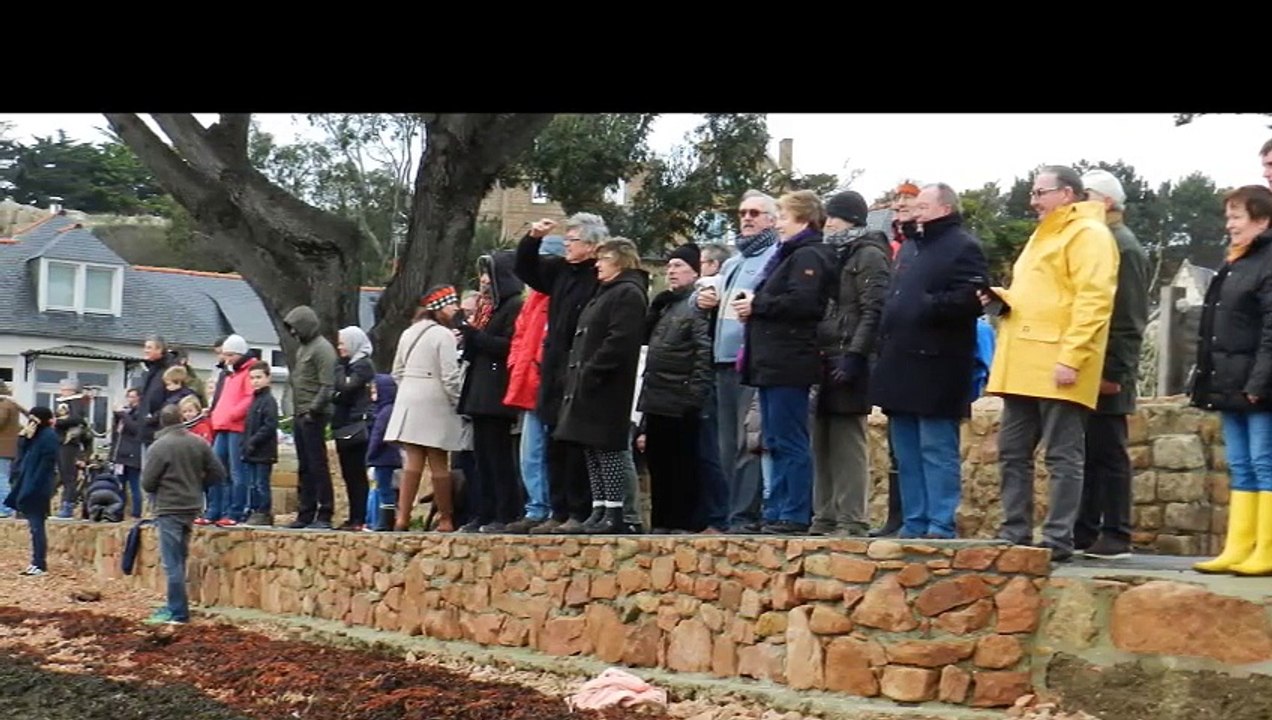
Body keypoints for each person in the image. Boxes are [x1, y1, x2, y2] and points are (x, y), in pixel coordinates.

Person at [982, 166, 1119, 562]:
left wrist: (1073, 357)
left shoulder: (1089, 235)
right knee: (1012, 450)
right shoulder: (1045, 234)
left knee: (1062, 455)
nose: (1033, 200)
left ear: (1068, 194)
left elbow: (1094, 301)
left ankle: (1058, 539)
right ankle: (1016, 531)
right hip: (1023, 361)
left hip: (1058, 362)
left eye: (1041, 192)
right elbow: (1044, 295)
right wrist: (1002, 296)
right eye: (1033, 191)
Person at [870, 183, 989, 539]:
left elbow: (973, 298)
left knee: (936, 448)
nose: (914, 211)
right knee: (905, 452)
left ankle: (940, 523)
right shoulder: (909, 247)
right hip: (899, 361)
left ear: (945, 209)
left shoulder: (964, 247)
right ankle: (914, 521)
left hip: (938, 364)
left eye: (922, 205)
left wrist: (924, 306)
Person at [733, 189, 831, 534]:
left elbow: (804, 303)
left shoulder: (809, 256)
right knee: (773, 440)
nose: (778, 225)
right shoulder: (787, 254)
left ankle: (794, 513)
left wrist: (758, 305)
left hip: (789, 360)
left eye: (784, 217)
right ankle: (775, 510)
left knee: (790, 440)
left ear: (803, 219)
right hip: (771, 360)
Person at [1191, 185, 1272, 575]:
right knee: (1240, 465)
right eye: (1228, 217)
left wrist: (1258, 383)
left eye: (1237, 217)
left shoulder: (1268, 261)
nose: (1230, 225)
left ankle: (1266, 550)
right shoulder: (1236, 262)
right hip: (1229, 382)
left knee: (1264, 462)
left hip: (1259, 386)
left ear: (1262, 220)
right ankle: (1238, 547)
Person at [1073, 169, 1150, 559]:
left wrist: (1114, 373)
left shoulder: (1125, 248)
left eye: (1083, 195)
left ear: (1104, 201)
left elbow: (1130, 318)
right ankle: (1084, 530)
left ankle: (1116, 533)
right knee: (1087, 450)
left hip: (1108, 369)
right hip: (1089, 366)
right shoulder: (1101, 242)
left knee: (1110, 451)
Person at [554, 238, 649, 534]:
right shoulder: (605, 292)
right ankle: (600, 508)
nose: (597, 264)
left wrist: (592, 370)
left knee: (608, 449)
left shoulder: (628, 293)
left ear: (620, 260)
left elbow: (619, 339)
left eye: (604, 258)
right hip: (588, 384)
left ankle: (616, 512)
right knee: (591, 449)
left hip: (607, 386)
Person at [811, 190, 891, 537]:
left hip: (849, 356)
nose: (828, 223)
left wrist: (856, 355)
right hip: (825, 355)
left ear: (852, 220)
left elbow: (873, 309)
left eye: (835, 217)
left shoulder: (869, 253)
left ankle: (852, 518)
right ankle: (824, 515)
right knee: (821, 439)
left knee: (848, 440)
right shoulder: (834, 254)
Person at [385, 286, 468, 532]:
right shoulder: (444, 335)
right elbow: (450, 376)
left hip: (409, 398)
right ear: (440, 307)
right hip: (435, 400)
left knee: (413, 460)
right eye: (451, 305)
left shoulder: (408, 332)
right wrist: (458, 402)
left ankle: (403, 518)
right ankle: (445, 519)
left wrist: (410, 388)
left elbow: (396, 371)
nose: (455, 309)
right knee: (439, 461)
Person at [142, 404, 226, 624]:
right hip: (192, 505)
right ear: (181, 418)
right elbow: (218, 473)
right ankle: (175, 605)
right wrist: (198, 484)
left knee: (172, 563)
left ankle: (178, 612)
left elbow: (147, 483)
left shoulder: (159, 447)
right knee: (180, 557)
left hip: (168, 507)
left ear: (162, 422)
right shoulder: (199, 443)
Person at [283, 305, 339, 529]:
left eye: (296, 328)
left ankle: (325, 512)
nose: (294, 333)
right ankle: (305, 512)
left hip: (313, 415)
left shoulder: (322, 349)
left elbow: (327, 386)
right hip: (300, 413)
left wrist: (312, 411)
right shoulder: (303, 349)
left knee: (318, 464)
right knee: (305, 466)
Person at [4, 407, 57, 576]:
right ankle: (36, 562)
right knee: (34, 528)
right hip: (28, 483)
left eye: (34, 420)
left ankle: (40, 563)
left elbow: (47, 464)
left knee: (37, 527)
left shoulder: (49, 436)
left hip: (38, 487)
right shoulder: (36, 436)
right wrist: (23, 438)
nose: (31, 423)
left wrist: (33, 486)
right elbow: (22, 453)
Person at [332, 326, 376, 530]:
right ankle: (353, 516)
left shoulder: (362, 365)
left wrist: (340, 369)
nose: (339, 347)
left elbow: (345, 388)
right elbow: (337, 393)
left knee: (357, 475)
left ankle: (361, 517)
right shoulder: (349, 366)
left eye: (342, 343)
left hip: (357, 426)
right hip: (343, 426)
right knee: (348, 475)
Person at [241, 363, 279, 527]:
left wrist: (254, 440)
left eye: (259, 377)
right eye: (252, 378)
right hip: (251, 450)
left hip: (263, 450)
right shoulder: (254, 401)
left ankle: (263, 512)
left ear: (268, 378)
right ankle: (253, 509)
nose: (255, 381)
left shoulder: (269, 401)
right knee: (252, 484)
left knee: (261, 483)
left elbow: (269, 425)